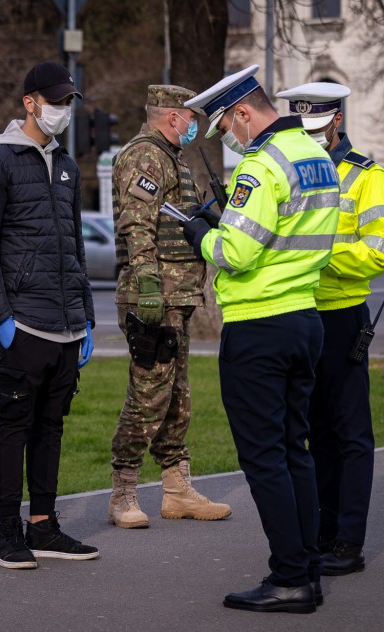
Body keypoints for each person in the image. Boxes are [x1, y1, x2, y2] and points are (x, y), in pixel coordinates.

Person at [180, 65, 339, 614]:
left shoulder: (261, 164)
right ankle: (308, 568)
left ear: (244, 112)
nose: (228, 139)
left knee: (265, 458)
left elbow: (238, 253)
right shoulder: (315, 155)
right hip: (304, 318)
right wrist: (231, 222)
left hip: (259, 326)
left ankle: (289, 577)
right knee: (296, 450)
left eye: (226, 127)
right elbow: (292, 232)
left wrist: (204, 234)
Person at [0, 61, 98, 570]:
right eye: (55, 101)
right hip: (23, 322)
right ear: (29, 102)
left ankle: (43, 526)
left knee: (52, 426)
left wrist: (86, 315)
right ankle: (7, 533)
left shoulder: (66, 164)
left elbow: (74, 246)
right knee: (15, 425)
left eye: (68, 103)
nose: (63, 110)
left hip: (66, 323)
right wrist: (2, 318)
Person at [275, 82, 384, 576]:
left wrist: (321, 255)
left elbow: (382, 250)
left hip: (343, 314)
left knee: (349, 432)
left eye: (319, 127)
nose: (312, 136)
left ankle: (349, 540)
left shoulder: (368, 177)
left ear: (337, 121)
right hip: (300, 312)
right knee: (313, 431)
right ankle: (323, 530)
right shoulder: (295, 172)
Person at [109, 84, 231, 528]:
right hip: (153, 298)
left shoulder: (172, 157)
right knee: (148, 395)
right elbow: (136, 224)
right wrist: (146, 285)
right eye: (190, 118)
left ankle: (177, 489)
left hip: (177, 296)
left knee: (177, 398)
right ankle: (123, 490)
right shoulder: (145, 156)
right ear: (172, 117)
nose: (194, 125)